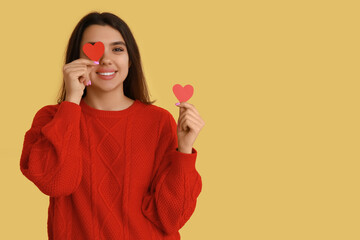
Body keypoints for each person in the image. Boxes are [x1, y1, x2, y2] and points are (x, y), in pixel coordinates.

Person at [19, 11, 205, 240]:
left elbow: (171, 218)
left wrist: (184, 150)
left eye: (117, 49)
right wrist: (71, 103)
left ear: (130, 59)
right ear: (75, 60)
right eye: (94, 49)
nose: (107, 59)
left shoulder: (159, 122)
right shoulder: (52, 118)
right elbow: (56, 183)